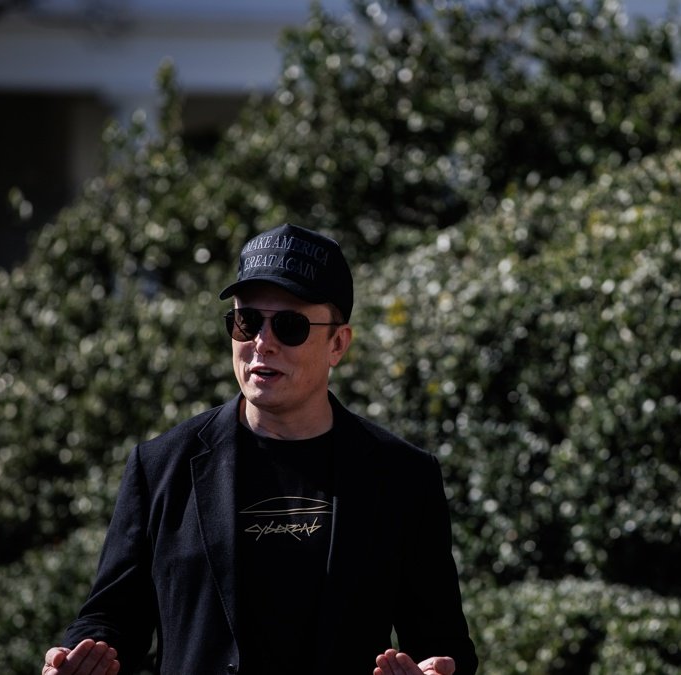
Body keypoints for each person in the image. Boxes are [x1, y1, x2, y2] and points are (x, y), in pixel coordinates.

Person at [42, 223, 478, 675]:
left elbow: (443, 646)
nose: (262, 342)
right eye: (246, 321)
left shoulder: (403, 476)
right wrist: (80, 659)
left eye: (290, 326)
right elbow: (111, 619)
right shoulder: (159, 466)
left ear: (337, 344)